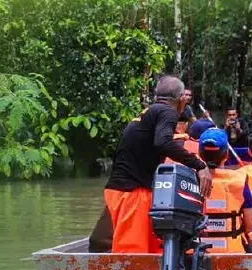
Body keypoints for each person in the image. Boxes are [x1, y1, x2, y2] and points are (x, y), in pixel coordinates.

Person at [90, 76, 212, 254]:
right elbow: (163, 143)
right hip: (133, 193)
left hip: (120, 190)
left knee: (143, 247)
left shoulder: (146, 114)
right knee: (132, 254)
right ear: (181, 99)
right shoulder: (167, 112)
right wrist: (200, 165)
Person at [197, 128, 252, 253]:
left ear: (199, 154)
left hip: (197, 254)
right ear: (226, 155)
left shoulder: (188, 180)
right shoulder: (239, 181)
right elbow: (250, 225)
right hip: (231, 252)